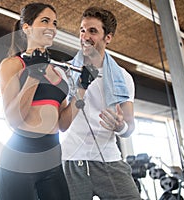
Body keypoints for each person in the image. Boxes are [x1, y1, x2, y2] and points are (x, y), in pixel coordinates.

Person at [0, 2, 91, 200]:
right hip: (20, 158)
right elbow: (13, 119)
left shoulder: (58, 73)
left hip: (51, 157)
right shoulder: (13, 65)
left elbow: (63, 124)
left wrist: (82, 89)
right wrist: (33, 75)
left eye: (55, 23)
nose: (52, 28)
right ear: (27, 27)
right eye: (45, 21)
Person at [61, 7, 141, 200]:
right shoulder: (67, 72)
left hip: (109, 159)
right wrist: (81, 86)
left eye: (92, 31)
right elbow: (61, 125)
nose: (85, 36)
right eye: (82, 30)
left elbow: (129, 127)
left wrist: (121, 127)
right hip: (73, 160)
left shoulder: (123, 77)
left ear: (108, 37)